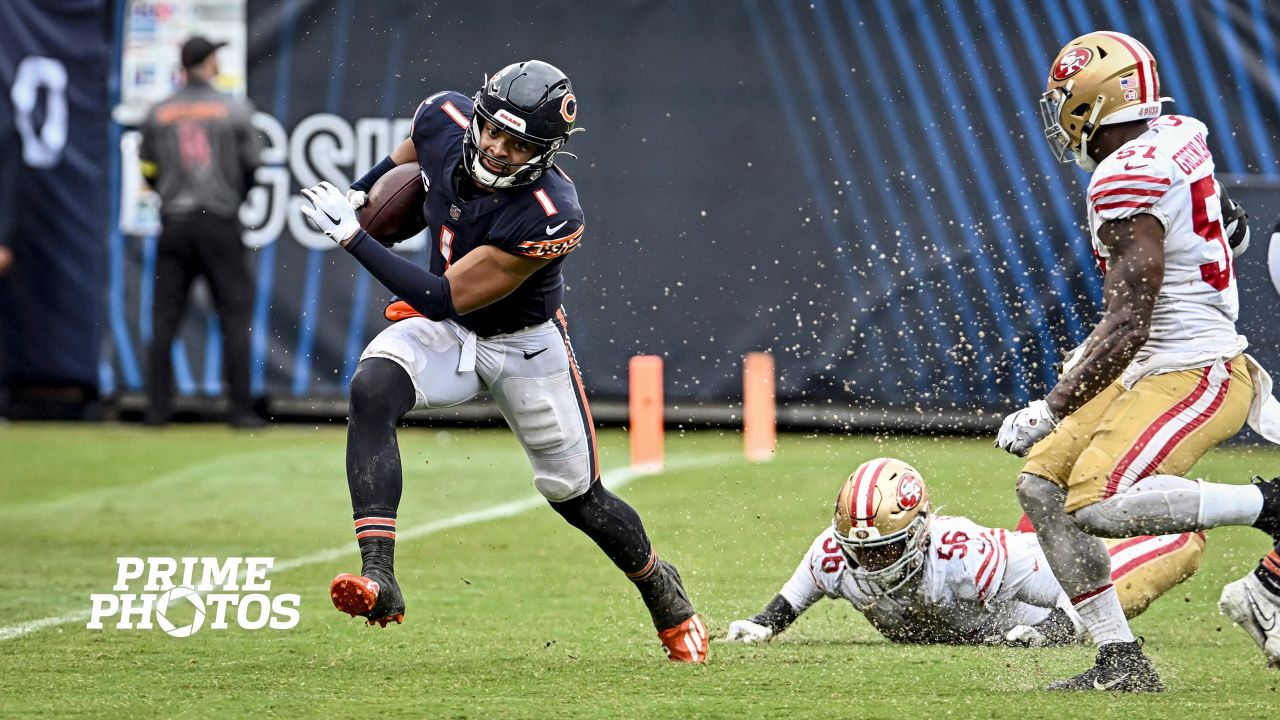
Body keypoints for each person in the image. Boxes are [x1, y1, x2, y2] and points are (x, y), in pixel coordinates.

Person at [298, 60, 708, 662]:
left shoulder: (552, 210)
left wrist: (353, 238)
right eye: (491, 130)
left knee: (578, 497)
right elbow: (413, 148)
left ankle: (664, 596)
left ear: (546, 150)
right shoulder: (444, 116)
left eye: (518, 144)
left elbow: (442, 293)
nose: (496, 148)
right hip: (445, 333)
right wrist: (365, 189)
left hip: (522, 342)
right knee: (372, 387)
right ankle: (380, 577)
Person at [997, 30, 1280, 690]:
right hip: (1150, 361)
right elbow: (1231, 228)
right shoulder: (1180, 133)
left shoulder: (1124, 178)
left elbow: (1128, 324)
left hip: (1194, 368)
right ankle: (1120, 661)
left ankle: (1268, 505)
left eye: (1067, 98)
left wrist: (1051, 407)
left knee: (1099, 501)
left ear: (1095, 102)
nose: (1060, 112)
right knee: (1040, 486)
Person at [724, 458, 1204, 648]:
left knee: (1150, 567)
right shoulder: (835, 554)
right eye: (861, 552)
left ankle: (1176, 506)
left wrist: (1050, 636)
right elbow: (793, 597)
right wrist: (763, 624)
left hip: (1043, 572)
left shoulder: (965, 555)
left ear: (917, 532)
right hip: (1019, 562)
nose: (870, 563)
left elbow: (1075, 588)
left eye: (884, 549)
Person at [139, 35, 263, 428]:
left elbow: (148, 170)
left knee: (163, 321)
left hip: (174, 223)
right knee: (233, 316)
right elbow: (254, 167)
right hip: (219, 223)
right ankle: (240, 410)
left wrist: (170, 194)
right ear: (209, 63)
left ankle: (158, 410)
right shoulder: (233, 109)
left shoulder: (158, 112)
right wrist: (233, 198)